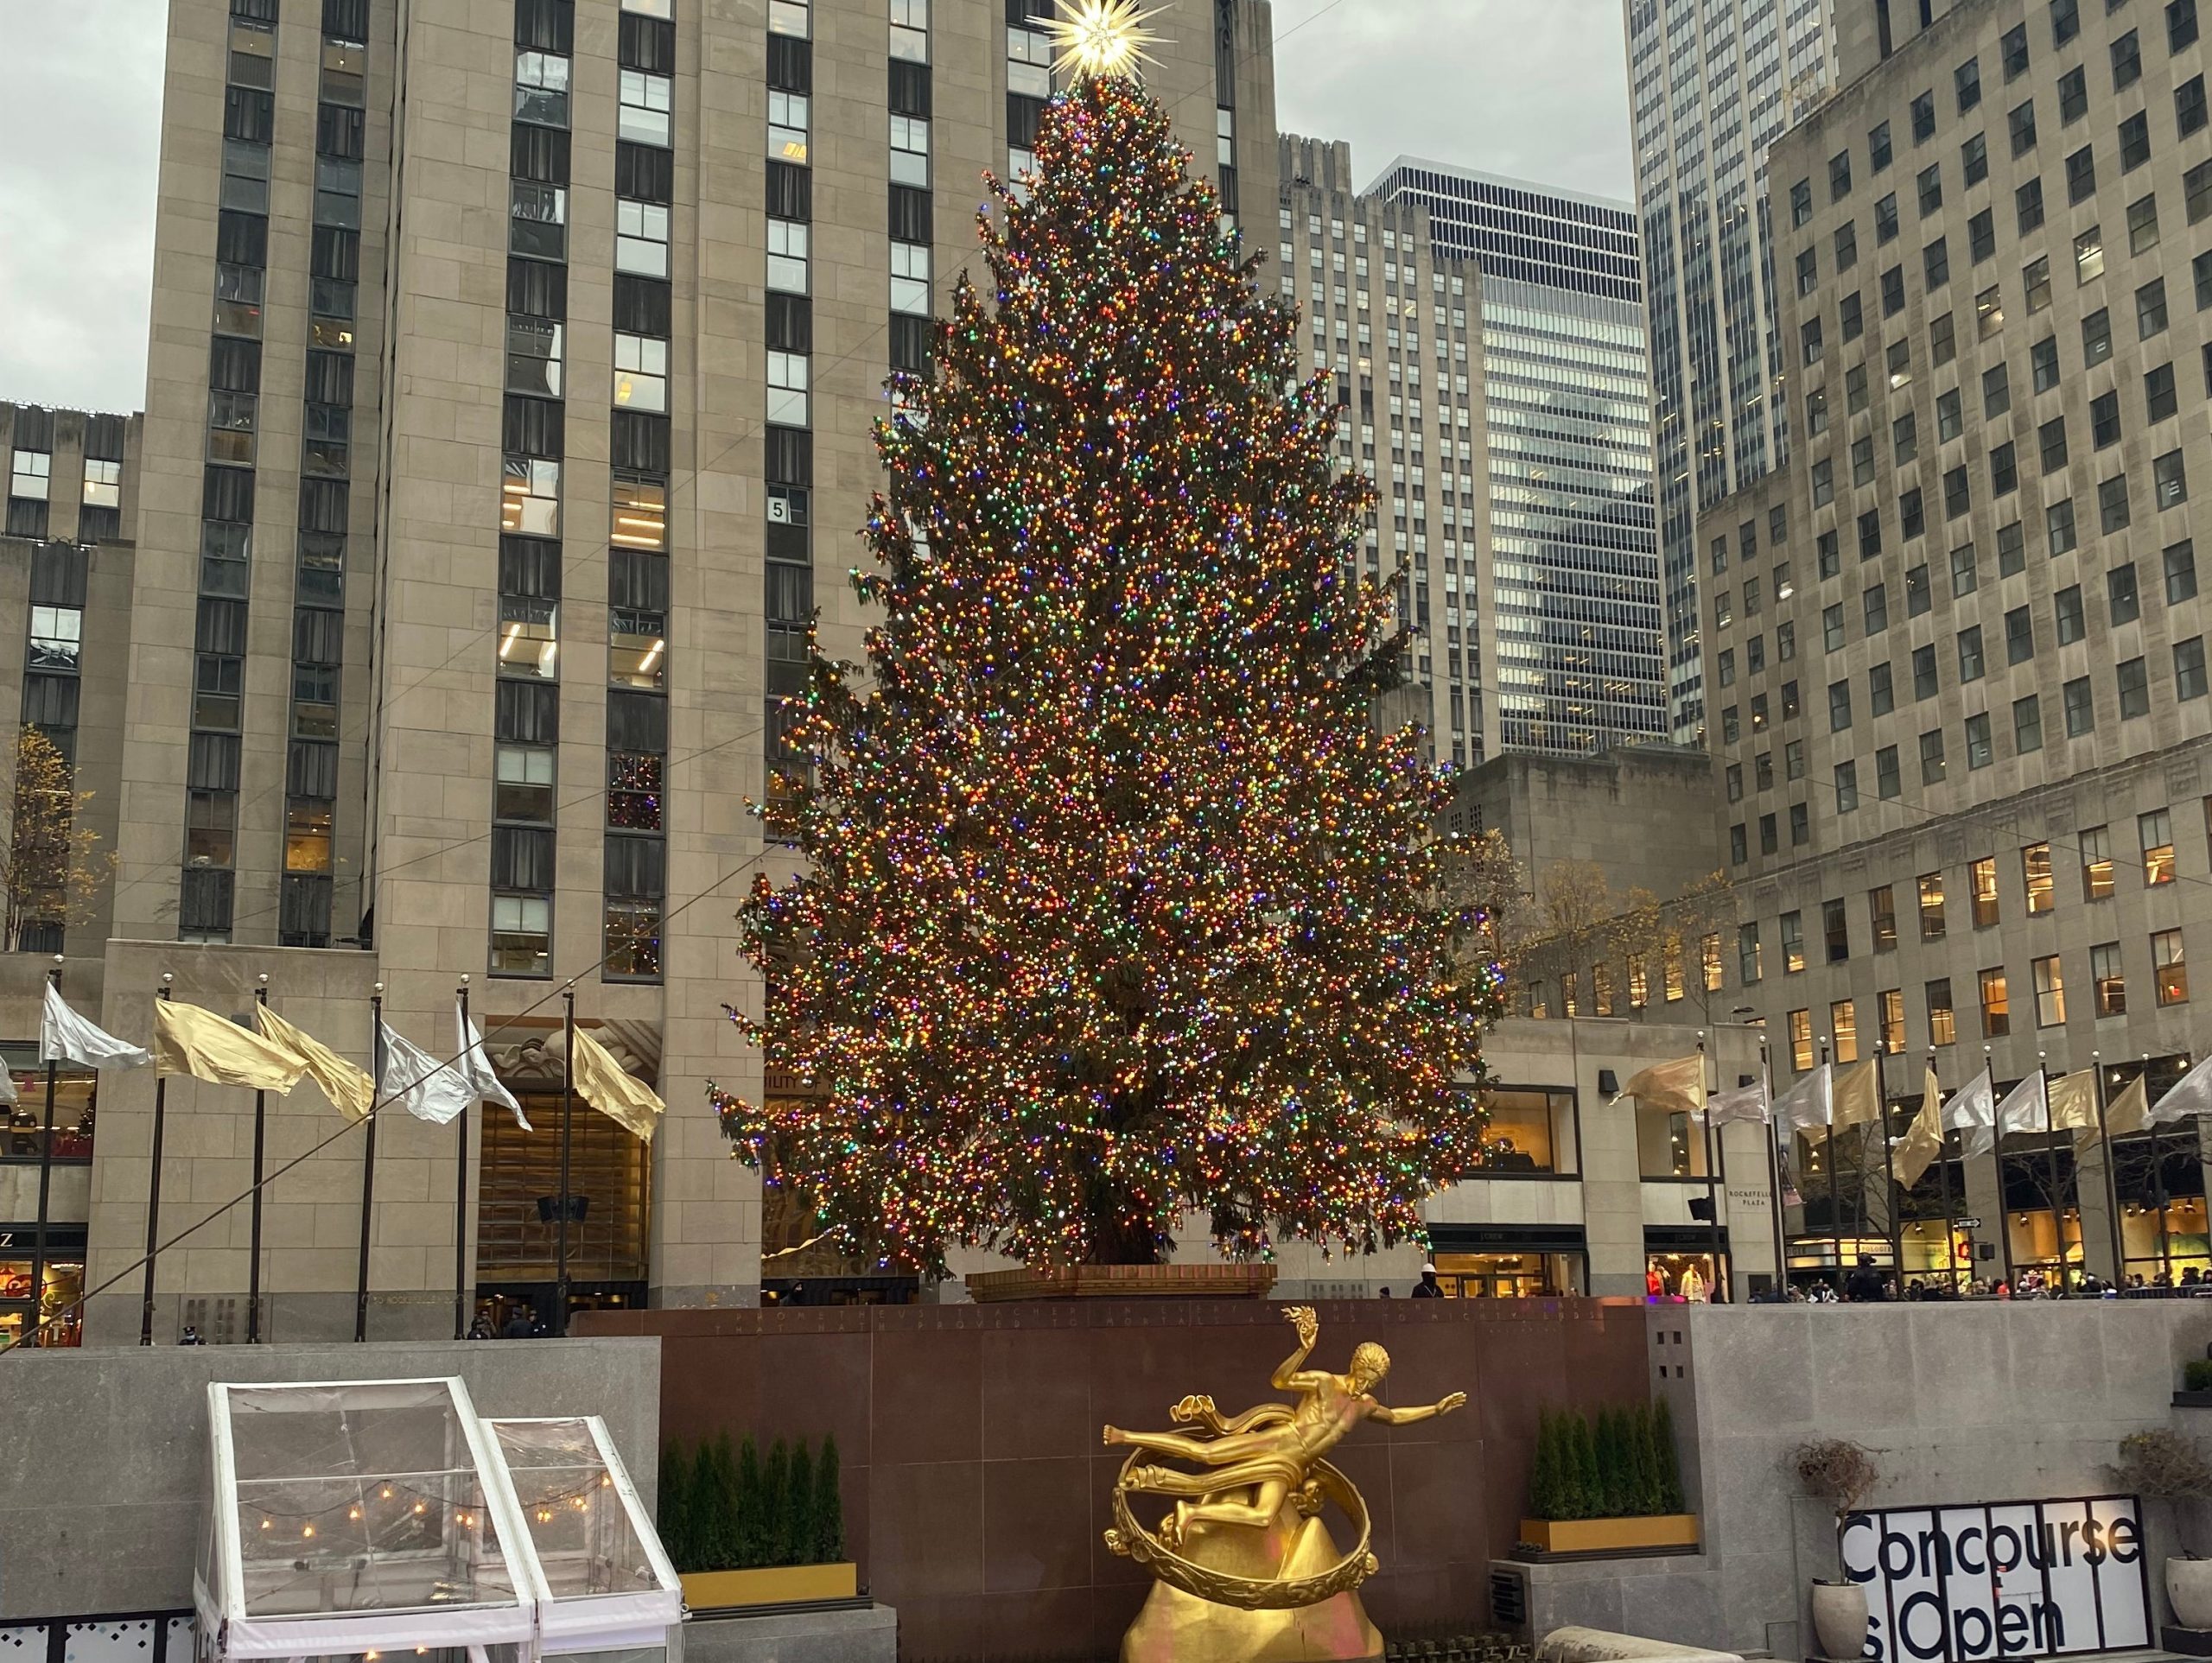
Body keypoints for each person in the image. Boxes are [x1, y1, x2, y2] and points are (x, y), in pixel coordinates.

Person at [1105, 1305, 1465, 1547]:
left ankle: (1192, 1512)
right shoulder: (1325, 1382)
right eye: (1365, 1375)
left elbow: (1395, 1417)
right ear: (1355, 1365)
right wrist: (1304, 1349)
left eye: (1374, 1380)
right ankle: (1127, 1436)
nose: (1367, 1384)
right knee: (1207, 1453)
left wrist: (1435, 1408)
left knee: (1263, 1516)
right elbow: (1281, 1381)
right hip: (1279, 1441)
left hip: (1292, 1466)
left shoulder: (1366, 1406)